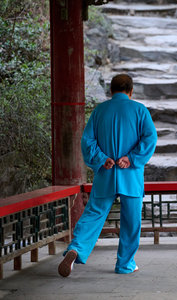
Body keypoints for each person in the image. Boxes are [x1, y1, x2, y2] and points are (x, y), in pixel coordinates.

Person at [58, 74, 157, 277]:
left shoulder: (100, 111)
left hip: (106, 174)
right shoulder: (140, 110)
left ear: (111, 91)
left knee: (94, 214)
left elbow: (87, 141)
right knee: (131, 222)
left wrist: (102, 158)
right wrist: (131, 158)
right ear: (131, 91)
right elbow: (150, 138)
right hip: (130, 176)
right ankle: (125, 264)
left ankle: (76, 248)